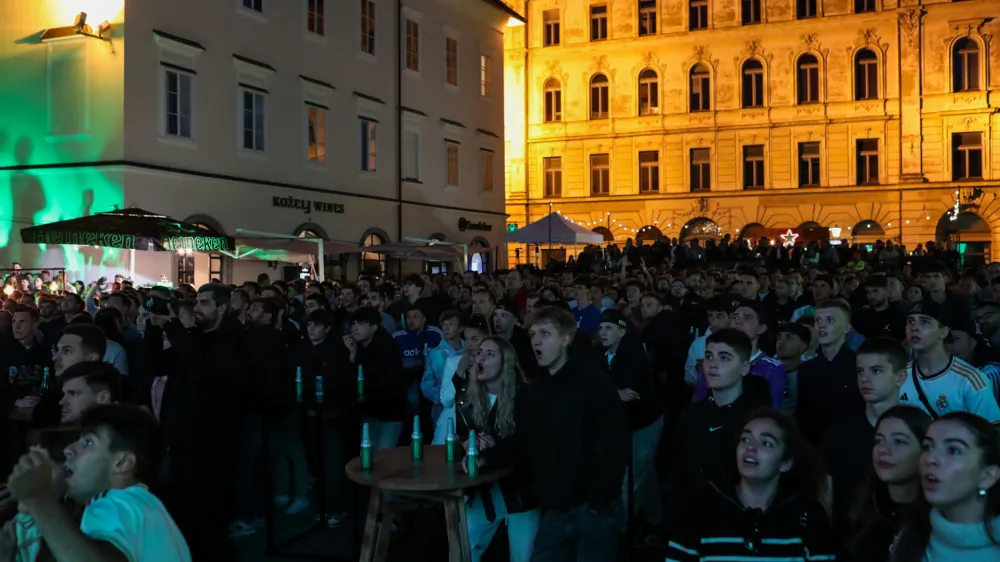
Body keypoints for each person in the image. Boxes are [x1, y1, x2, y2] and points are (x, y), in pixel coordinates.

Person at [471, 306, 628, 562]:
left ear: (566, 339)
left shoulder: (594, 384)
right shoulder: (540, 391)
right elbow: (525, 440)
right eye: (533, 334)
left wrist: (597, 503)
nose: (536, 341)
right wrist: (489, 457)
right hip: (557, 507)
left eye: (545, 334)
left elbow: (612, 447)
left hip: (592, 509)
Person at [5, 404, 191, 561]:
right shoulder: (141, 507)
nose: (69, 449)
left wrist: (38, 499)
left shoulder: (122, 501)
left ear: (122, 462)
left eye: (88, 443)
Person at [666, 410, 835, 561]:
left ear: (785, 463)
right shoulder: (699, 509)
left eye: (766, 443)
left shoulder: (807, 515)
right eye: (745, 439)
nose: (750, 448)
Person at [457, 337, 539, 562]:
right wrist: (466, 444)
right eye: (480, 352)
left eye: (490, 354)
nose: (481, 357)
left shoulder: (526, 397)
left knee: (523, 558)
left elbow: (527, 446)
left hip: (519, 492)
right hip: (483, 491)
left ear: (505, 363)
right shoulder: (467, 396)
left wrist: (495, 448)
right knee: (463, 549)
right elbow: (459, 434)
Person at [892, 412, 1000, 561]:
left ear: (987, 476)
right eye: (927, 447)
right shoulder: (911, 533)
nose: (930, 459)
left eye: (953, 450)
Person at [844, 405, 931, 561]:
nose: (883, 449)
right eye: (879, 440)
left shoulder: (938, 520)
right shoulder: (863, 506)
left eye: (899, 441)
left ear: (925, 451)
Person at [901, 302, 1000, 422]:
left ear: (943, 332)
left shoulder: (971, 380)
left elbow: (991, 431)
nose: (914, 327)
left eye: (925, 321)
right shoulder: (900, 376)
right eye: (910, 321)